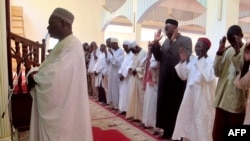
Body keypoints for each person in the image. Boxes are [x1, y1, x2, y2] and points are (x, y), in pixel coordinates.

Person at [28, 7, 93, 141]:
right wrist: (35, 72)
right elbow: (49, 66)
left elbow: (59, 73)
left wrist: (37, 77)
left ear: (64, 24)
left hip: (66, 106)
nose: (48, 27)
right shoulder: (63, 43)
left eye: (51, 23)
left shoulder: (73, 44)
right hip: (63, 102)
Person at [150, 18, 192, 139]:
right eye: (165, 30)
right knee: (164, 106)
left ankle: (176, 133)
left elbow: (185, 58)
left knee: (175, 106)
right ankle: (166, 130)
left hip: (177, 79)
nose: (167, 32)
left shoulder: (186, 40)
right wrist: (156, 44)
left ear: (176, 29)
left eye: (169, 30)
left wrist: (173, 42)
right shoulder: (165, 42)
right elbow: (159, 57)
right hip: (165, 78)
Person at [172, 37, 216, 141]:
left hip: (203, 99)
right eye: (196, 46)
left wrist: (201, 61)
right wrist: (183, 61)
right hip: (190, 97)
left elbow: (209, 77)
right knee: (189, 120)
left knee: (201, 123)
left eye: (199, 46)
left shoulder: (210, 61)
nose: (196, 48)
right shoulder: (192, 60)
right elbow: (184, 75)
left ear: (206, 48)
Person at [213, 25, 249, 141]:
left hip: (236, 103)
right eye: (231, 41)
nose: (233, 44)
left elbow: (241, 74)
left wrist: (238, 52)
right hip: (222, 100)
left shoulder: (247, 51)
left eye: (235, 40)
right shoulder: (228, 50)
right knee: (217, 135)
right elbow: (217, 72)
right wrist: (219, 52)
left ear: (241, 36)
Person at [126, 41, 147, 122]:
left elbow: (145, 67)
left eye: (132, 50)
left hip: (141, 78)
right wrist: (131, 68)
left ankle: (142, 118)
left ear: (136, 47)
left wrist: (136, 70)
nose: (132, 52)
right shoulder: (135, 54)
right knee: (134, 96)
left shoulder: (145, 53)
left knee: (141, 98)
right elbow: (134, 64)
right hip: (135, 78)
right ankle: (136, 116)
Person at [141, 42, 160, 129]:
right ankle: (146, 121)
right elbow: (143, 64)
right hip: (149, 82)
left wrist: (151, 57)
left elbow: (154, 65)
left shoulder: (158, 57)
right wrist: (148, 54)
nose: (150, 49)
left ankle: (152, 123)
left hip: (155, 83)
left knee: (152, 104)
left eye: (152, 48)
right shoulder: (150, 56)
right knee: (147, 103)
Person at [106, 37, 124, 110]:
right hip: (111, 72)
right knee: (111, 88)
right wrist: (106, 54)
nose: (111, 46)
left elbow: (118, 62)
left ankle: (117, 105)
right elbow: (108, 61)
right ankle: (112, 104)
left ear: (116, 44)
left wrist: (112, 54)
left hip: (117, 72)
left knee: (116, 88)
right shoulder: (111, 50)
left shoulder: (121, 51)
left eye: (112, 44)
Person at [118, 40, 134, 115]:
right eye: (123, 47)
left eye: (125, 47)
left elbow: (130, 66)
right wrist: (120, 73)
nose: (124, 49)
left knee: (127, 94)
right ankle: (122, 109)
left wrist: (123, 75)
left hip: (128, 78)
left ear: (129, 47)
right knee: (122, 93)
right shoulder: (126, 55)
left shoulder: (132, 55)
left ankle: (127, 110)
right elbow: (123, 65)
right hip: (123, 78)